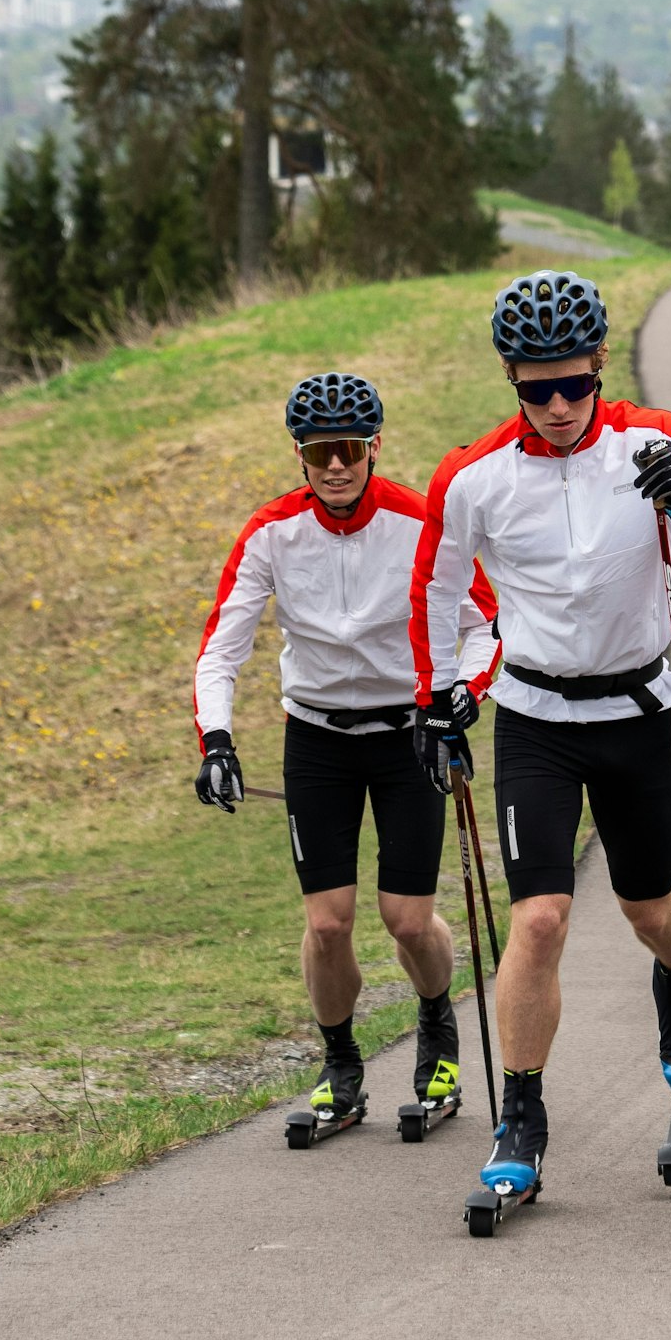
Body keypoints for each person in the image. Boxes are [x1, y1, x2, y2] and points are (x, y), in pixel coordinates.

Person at [409, 268, 671, 1218]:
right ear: (510, 379)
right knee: (541, 919)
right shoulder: (473, 476)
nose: (558, 407)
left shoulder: (655, 439)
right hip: (535, 721)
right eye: (534, 388)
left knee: (652, 911)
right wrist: (438, 700)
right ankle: (520, 1118)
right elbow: (435, 594)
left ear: (601, 363)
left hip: (636, 715)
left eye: (574, 384)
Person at [193, 373, 498, 1142]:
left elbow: (489, 622)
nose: (337, 467)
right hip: (318, 739)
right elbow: (220, 650)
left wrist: (460, 696)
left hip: (406, 734)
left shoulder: (418, 520)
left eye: (351, 450)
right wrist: (217, 742)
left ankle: (437, 1024)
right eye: (321, 451)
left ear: (375, 449)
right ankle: (341, 1065)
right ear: (300, 455)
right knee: (327, 926)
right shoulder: (271, 532)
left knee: (406, 919)